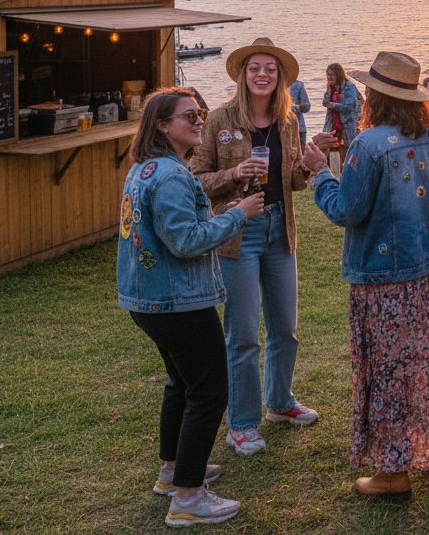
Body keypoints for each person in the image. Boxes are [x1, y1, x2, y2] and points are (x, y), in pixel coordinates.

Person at [309, 51, 429, 496]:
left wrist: (319, 174)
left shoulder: (367, 146)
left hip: (383, 279)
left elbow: (345, 210)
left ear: (373, 96)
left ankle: (392, 471)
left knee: (389, 370)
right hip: (428, 272)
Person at [118, 87, 263, 527]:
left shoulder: (142, 170)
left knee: (180, 384)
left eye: (200, 113)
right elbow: (185, 241)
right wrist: (238, 213)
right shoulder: (172, 177)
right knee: (208, 391)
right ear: (162, 126)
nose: (199, 120)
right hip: (178, 301)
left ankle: (172, 471)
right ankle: (188, 498)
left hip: (147, 298)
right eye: (189, 116)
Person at [191, 38, 316, 458]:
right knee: (243, 335)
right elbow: (197, 179)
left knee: (285, 328)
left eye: (270, 69)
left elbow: (293, 182)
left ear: (280, 78)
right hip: (237, 232)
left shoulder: (288, 121)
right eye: (254, 68)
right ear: (243, 75)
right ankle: (242, 424)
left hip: (280, 229)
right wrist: (235, 172)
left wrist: (307, 166)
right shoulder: (220, 120)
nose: (262, 74)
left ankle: (280, 402)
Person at [323, 63, 361, 150]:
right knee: (332, 149)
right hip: (332, 124)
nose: (329, 77)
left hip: (348, 124)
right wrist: (328, 90)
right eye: (327, 75)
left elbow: (350, 106)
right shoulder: (331, 88)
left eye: (331, 75)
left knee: (350, 148)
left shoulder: (349, 86)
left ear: (338, 74)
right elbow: (325, 102)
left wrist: (332, 105)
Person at [288, 78, 311, 150]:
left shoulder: (298, 84)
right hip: (279, 129)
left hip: (299, 128)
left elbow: (306, 107)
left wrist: (296, 107)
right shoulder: (275, 84)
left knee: (301, 157)